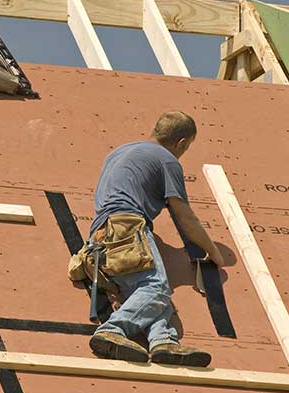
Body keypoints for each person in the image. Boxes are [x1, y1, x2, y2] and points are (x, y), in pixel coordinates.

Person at [87, 111, 226, 367]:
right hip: (127, 227)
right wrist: (213, 252)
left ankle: (163, 342)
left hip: (100, 237)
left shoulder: (120, 151)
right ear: (182, 142)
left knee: (146, 293)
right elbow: (184, 215)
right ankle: (112, 331)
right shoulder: (167, 160)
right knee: (156, 289)